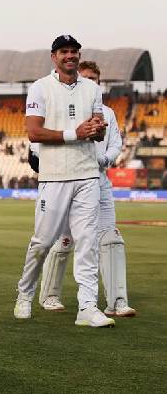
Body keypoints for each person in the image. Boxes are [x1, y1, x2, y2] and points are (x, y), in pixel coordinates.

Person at [14, 35, 115, 327]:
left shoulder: (93, 89)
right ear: (53, 56)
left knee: (87, 242)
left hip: (87, 174)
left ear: (79, 55)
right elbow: (34, 132)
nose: (69, 56)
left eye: (73, 51)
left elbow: (96, 128)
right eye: (64, 52)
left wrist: (96, 130)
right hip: (54, 176)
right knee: (43, 242)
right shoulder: (40, 88)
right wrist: (76, 133)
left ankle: (87, 307)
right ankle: (25, 293)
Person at [37, 61, 136, 317]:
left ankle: (117, 301)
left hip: (99, 180)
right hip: (68, 179)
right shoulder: (63, 105)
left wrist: (104, 160)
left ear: (99, 84)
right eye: (87, 77)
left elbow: (115, 145)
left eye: (96, 79)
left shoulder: (108, 113)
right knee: (64, 240)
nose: (92, 83)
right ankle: (49, 295)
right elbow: (40, 143)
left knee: (110, 238)